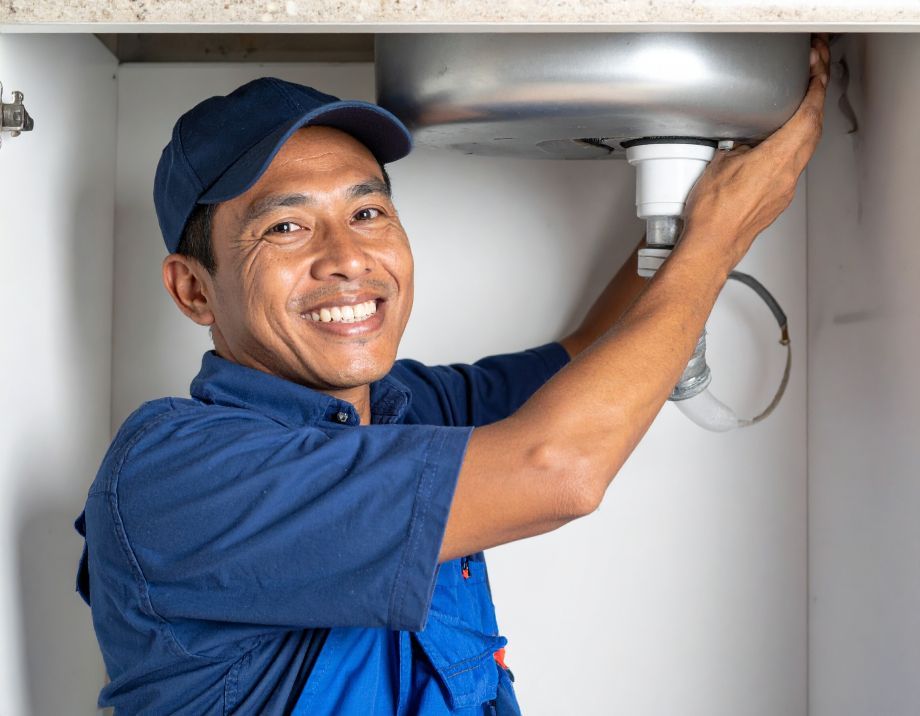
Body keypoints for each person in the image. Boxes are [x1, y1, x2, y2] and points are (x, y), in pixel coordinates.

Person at [75, 37, 830, 715]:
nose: (347, 257)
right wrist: (722, 233)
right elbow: (560, 468)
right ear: (193, 289)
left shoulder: (412, 407)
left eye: (368, 212)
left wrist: (693, 214)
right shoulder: (175, 477)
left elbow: (598, 353)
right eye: (286, 226)